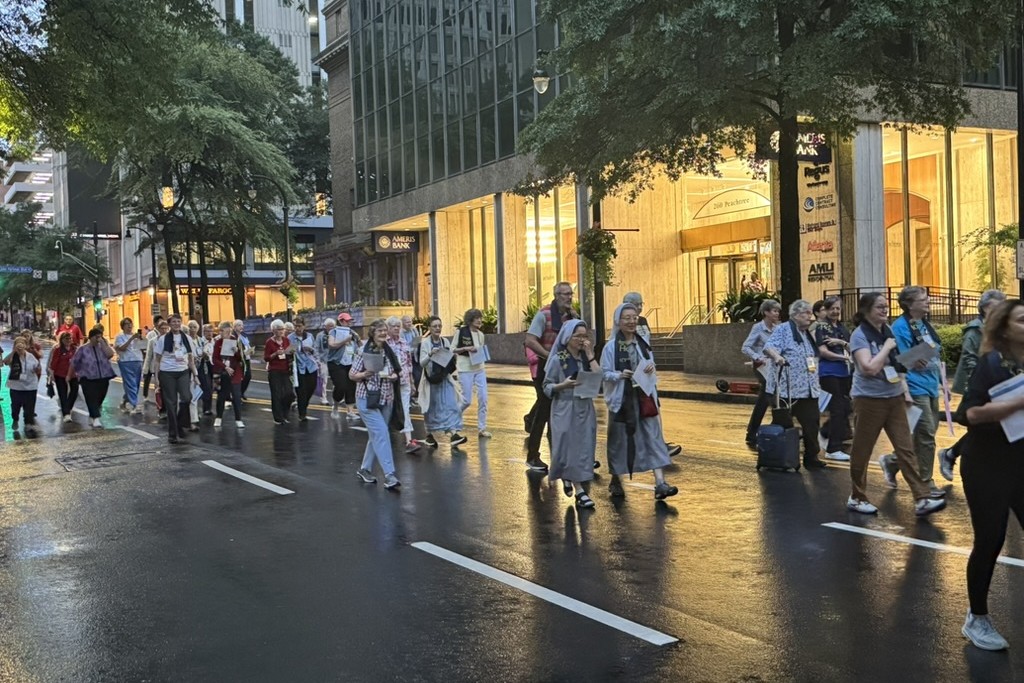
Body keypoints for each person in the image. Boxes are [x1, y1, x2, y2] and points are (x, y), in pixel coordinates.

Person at [957, 299, 1024, 651]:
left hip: (1021, 463)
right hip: (987, 465)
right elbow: (968, 414)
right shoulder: (993, 363)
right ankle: (977, 618)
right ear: (1005, 329)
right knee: (990, 540)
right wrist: (1017, 403)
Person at [845, 292, 947, 516]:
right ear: (866, 311)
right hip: (869, 400)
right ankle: (857, 496)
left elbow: (896, 365)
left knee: (906, 448)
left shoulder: (887, 330)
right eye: (879, 307)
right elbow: (869, 368)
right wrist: (886, 347)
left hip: (894, 397)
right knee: (862, 450)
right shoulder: (859, 335)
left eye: (886, 306)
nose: (884, 310)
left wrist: (909, 373)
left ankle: (921, 498)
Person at [601, 303, 678, 500]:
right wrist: (619, 375)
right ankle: (616, 479)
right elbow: (604, 373)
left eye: (634, 317)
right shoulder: (611, 348)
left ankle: (660, 482)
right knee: (619, 441)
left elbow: (650, 363)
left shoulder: (642, 343)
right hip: (622, 400)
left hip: (643, 397)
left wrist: (650, 368)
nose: (631, 321)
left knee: (653, 437)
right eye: (626, 318)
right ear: (618, 321)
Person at [882, 286, 945, 498]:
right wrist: (919, 357)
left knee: (925, 433)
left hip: (931, 383)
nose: (928, 302)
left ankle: (892, 461)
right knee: (926, 434)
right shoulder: (900, 327)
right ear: (909, 304)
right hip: (914, 386)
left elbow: (933, 350)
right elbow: (902, 360)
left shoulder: (923, 324)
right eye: (923, 299)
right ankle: (926, 483)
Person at [940, 289, 1006, 480]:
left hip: (998, 383)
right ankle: (953, 455)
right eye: (997, 305)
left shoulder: (999, 327)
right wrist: (977, 384)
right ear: (985, 308)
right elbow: (970, 357)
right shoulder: (975, 328)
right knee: (984, 428)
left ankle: (952, 454)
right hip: (982, 385)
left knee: (993, 427)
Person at [763, 299, 827, 469]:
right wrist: (777, 357)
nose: (810, 317)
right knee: (784, 425)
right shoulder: (783, 330)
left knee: (812, 424)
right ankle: (777, 456)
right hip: (785, 389)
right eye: (806, 313)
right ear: (796, 315)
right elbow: (769, 347)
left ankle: (811, 458)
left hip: (807, 390)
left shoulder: (807, 334)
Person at [523, 282, 579, 471]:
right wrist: (550, 356)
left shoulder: (572, 316)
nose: (569, 297)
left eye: (570, 294)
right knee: (544, 412)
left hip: (565, 369)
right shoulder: (544, 315)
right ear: (556, 295)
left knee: (568, 412)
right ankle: (532, 456)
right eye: (564, 294)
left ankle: (570, 455)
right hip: (545, 371)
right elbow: (529, 340)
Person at [544, 319, 599, 509]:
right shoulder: (558, 359)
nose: (581, 340)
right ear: (568, 337)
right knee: (568, 448)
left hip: (585, 408)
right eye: (578, 336)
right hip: (565, 408)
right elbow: (547, 386)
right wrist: (563, 385)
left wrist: (590, 354)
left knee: (583, 448)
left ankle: (570, 479)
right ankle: (580, 491)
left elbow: (599, 378)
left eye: (585, 336)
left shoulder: (586, 358)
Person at [623, 292, 682, 458]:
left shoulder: (642, 321)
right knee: (636, 412)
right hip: (632, 373)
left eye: (641, 304)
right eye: (636, 304)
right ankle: (637, 446)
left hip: (647, 371)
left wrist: (651, 363)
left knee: (652, 408)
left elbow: (647, 345)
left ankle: (658, 444)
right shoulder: (623, 324)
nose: (640, 308)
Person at [350, 319, 403, 489]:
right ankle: (389, 475)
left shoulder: (390, 350)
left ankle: (364, 469)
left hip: (386, 397)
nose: (383, 333)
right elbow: (352, 375)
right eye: (380, 331)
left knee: (376, 435)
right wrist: (364, 374)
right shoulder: (363, 351)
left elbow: (396, 370)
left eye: (385, 330)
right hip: (367, 398)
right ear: (372, 333)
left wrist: (394, 376)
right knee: (381, 433)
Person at [418, 315, 465, 450]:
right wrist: (430, 354)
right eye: (435, 326)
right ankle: (429, 435)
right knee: (431, 408)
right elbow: (422, 363)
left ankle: (454, 434)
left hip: (444, 379)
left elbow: (449, 359)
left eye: (439, 326)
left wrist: (453, 358)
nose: (438, 328)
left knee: (451, 404)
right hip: (431, 381)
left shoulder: (445, 342)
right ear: (429, 328)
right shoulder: (426, 343)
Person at [815, 296, 852, 462]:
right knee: (837, 409)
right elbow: (823, 351)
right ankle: (833, 448)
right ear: (826, 310)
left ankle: (825, 432)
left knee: (846, 409)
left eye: (838, 308)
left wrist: (841, 343)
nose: (836, 311)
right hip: (829, 373)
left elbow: (852, 347)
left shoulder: (842, 329)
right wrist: (843, 358)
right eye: (832, 309)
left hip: (845, 373)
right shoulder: (822, 327)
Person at [742, 299, 783, 449]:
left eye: (778, 311)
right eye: (774, 311)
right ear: (766, 312)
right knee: (770, 397)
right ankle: (770, 430)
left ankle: (755, 431)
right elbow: (745, 347)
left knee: (765, 400)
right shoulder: (758, 328)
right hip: (762, 368)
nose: (777, 314)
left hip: (776, 368)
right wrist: (758, 357)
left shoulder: (779, 328)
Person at [152, 315, 199, 444]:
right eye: (173, 322)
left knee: (187, 397)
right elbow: (157, 360)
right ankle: (172, 433)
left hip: (183, 371)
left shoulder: (187, 338)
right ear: (169, 324)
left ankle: (179, 424)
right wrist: (156, 377)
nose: (176, 324)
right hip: (167, 372)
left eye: (178, 322)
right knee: (171, 403)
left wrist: (195, 375)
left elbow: (191, 359)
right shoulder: (162, 339)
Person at [454, 308, 490, 439]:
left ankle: (482, 428)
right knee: (466, 401)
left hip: (479, 368)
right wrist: (466, 348)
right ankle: (454, 425)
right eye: (477, 318)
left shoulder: (480, 335)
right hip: (465, 369)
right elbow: (453, 350)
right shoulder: (461, 332)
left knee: (483, 398)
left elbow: (480, 349)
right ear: (470, 320)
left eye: (480, 318)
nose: (480, 320)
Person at [386, 315, 421, 452]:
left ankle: (408, 440)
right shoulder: (384, 343)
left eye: (398, 326)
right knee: (389, 410)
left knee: (405, 410)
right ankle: (385, 437)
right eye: (393, 326)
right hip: (389, 382)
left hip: (404, 380)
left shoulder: (404, 343)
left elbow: (409, 363)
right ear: (387, 328)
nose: (396, 328)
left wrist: (412, 382)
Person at [71, 327, 116, 428]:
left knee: (100, 397)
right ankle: (96, 418)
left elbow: (110, 355)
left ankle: (93, 414)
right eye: (96, 337)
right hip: (87, 378)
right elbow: (74, 362)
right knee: (91, 398)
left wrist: (103, 343)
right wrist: (74, 374)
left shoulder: (102, 347)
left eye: (100, 336)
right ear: (91, 337)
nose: (98, 339)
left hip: (103, 376)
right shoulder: (82, 349)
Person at [212, 321, 245, 428]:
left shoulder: (234, 340)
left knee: (236, 395)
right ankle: (219, 417)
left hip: (235, 371)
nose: (225, 334)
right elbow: (215, 359)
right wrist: (224, 367)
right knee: (221, 395)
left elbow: (241, 358)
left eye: (227, 331)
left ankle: (238, 419)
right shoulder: (218, 342)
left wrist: (236, 351)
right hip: (223, 372)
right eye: (222, 331)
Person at [5, 335, 41, 434]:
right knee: (15, 406)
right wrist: (14, 352)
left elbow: (37, 367)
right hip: (16, 386)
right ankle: (15, 418)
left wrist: (37, 369)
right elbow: (6, 362)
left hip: (30, 385)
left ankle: (28, 423)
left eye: (22, 343)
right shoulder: (13, 356)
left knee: (29, 406)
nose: (20, 345)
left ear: (26, 345)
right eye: (18, 343)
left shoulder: (30, 356)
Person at [327, 312, 359, 418]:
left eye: (350, 321)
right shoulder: (333, 332)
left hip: (350, 362)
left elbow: (360, 345)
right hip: (336, 363)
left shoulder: (352, 333)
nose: (349, 323)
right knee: (341, 386)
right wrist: (344, 341)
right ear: (340, 321)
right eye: (346, 321)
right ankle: (335, 405)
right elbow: (331, 345)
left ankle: (350, 411)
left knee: (351, 386)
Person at [288, 317, 319, 421]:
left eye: (299, 326)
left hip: (311, 366)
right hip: (298, 367)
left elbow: (315, 349)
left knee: (311, 388)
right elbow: (287, 351)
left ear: (304, 326)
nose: (297, 328)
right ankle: (302, 414)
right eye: (295, 326)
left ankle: (302, 405)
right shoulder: (290, 338)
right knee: (301, 391)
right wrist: (292, 351)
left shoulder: (309, 336)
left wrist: (311, 349)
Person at [264, 319, 294, 425]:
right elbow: (266, 358)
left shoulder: (286, 340)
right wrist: (276, 353)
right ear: (274, 330)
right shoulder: (269, 342)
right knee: (276, 394)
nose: (281, 331)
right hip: (275, 371)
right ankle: (278, 417)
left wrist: (291, 352)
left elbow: (290, 353)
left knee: (289, 393)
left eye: (282, 329)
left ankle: (285, 413)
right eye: (279, 329)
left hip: (285, 369)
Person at [114, 317, 145, 414]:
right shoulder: (120, 337)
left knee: (135, 384)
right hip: (126, 361)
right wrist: (131, 339)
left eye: (130, 323)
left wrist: (142, 340)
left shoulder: (137, 336)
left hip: (138, 360)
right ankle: (134, 405)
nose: (129, 326)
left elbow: (143, 349)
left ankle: (125, 400)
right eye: (127, 324)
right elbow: (121, 348)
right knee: (130, 383)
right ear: (122, 326)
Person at [48, 332, 79, 422]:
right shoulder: (58, 350)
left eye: (70, 339)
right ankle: (66, 414)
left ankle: (68, 408)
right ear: (62, 340)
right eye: (66, 339)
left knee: (74, 391)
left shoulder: (74, 349)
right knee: (63, 394)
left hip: (73, 374)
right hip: (60, 374)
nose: (69, 341)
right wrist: (51, 374)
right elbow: (53, 363)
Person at [141, 315, 164, 402]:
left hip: (161, 362)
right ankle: (145, 394)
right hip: (152, 360)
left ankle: (159, 397)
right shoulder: (151, 335)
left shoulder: (165, 334)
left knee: (159, 381)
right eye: (159, 322)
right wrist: (145, 366)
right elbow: (148, 350)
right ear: (155, 324)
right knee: (148, 377)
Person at [400, 315, 422, 401]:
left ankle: (417, 394)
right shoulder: (401, 333)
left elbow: (417, 339)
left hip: (415, 356)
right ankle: (411, 396)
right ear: (403, 323)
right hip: (406, 357)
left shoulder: (414, 329)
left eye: (410, 322)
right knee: (410, 377)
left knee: (418, 375)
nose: (409, 324)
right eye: (407, 322)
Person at [315, 318, 336, 405]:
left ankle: (337, 397)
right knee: (324, 380)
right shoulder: (320, 335)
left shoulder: (336, 334)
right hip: (323, 360)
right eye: (329, 326)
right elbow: (316, 348)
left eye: (333, 326)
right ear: (325, 327)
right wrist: (318, 359)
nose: (331, 328)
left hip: (334, 360)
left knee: (336, 380)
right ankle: (323, 397)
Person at [197, 324, 216, 416]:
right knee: (206, 386)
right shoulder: (200, 342)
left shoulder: (214, 342)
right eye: (207, 331)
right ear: (203, 332)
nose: (209, 333)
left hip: (214, 365)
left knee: (212, 386)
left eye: (211, 331)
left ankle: (209, 406)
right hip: (204, 365)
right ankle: (206, 408)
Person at [232, 320, 253, 401]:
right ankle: (238, 394)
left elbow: (247, 346)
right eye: (239, 325)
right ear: (234, 327)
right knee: (240, 378)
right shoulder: (233, 337)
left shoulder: (243, 336)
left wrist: (250, 350)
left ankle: (242, 392)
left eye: (242, 325)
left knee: (248, 376)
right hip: (240, 360)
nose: (241, 327)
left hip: (246, 359)